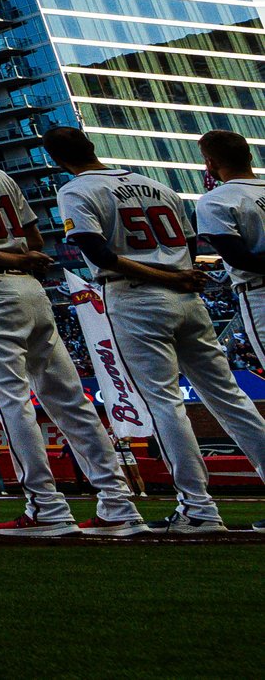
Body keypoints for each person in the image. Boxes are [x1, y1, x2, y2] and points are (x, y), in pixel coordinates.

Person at [0, 107, 145, 538]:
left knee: (11, 399)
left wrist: (11, 257)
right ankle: (117, 502)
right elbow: (35, 239)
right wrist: (20, 257)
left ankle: (46, 505)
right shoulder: (1, 175)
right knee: (69, 398)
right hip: (31, 290)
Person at [48, 125, 265, 533]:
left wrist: (165, 277)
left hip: (137, 297)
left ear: (58, 160)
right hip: (186, 295)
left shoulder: (76, 190)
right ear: (92, 146)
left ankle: (198, 508)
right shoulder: (153, 184)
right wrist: (179, 276)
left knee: (164, 402)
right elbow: (188, 242)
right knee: (230, 397)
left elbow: (100, 254)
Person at [193, 129, 264, 376]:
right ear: (249, 157)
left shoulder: (216, 199)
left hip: (259, 291)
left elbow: (238, 258)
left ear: (210, 162)